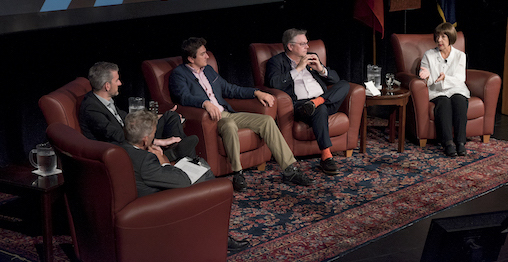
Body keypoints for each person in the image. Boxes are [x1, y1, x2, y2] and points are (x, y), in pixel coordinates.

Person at [169, 37, 312, 192]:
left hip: (227, 113)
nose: (207, 56)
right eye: (203, 54)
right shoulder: (179, 74)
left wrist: (256, 92)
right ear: (191, 58)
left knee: (266, 121)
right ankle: (238, 173)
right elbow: (183, 97)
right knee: (229, 125)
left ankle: (289, 169)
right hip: (213, 119)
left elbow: (230, 89)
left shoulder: (208, 70)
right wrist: (205, 103)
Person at [121, 110, 249, 252]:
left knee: (199, 168)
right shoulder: (145, 160)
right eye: (153, 135)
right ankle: (221, 238)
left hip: (142, 196)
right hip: (156, 203)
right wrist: (164, 161)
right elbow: (182, 181)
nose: (153, 137)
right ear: (145, 140)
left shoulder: (121, 148)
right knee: (207, 177)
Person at [265, 28, 350, 175]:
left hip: (324, 101)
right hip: (300, 106)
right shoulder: (277, 61)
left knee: (345, 84)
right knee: (320, 109)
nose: (307, 47)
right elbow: (274, 83)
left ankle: (317, 101)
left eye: (307, 43)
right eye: (303, 44)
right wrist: (298, 69)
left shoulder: (312, 57)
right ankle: (326, 156)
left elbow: (335, 80)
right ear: (290, 46)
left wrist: (321, 69)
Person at [79, 61, 198, 162]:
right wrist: (155, 141)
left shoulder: (105, 100)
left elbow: (125, 118)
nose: (120, 83)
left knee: (170, 116)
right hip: (121, 146)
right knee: (182, 147)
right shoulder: (92, 108)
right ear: (107, 86)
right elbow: (116, 135)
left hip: (133, 135)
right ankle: (182, 158)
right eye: (117, 80)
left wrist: (153, 118)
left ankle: (180, 152)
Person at [418, 22, 470, 157]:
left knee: (459, 101)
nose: (439, 40)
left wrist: (445, 77)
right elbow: (426, 78)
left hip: (456, 88)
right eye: (438, 36)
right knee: (444, 102)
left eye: (443, 37)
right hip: (437, 90)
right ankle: (448, 143)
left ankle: (460, 143)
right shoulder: (428, 55)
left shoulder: (460, 55)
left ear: (450, 38)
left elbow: (460, 78)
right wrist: (427, 76)